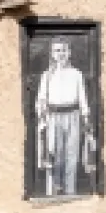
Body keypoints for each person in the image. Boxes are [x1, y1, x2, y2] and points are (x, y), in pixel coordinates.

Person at [35, 38, 95, 197]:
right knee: (55, 153)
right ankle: (55, 189)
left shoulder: (76, 74)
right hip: (53, 116)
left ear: (69, 53)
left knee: (72, 153)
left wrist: (86, 117)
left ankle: (70, 190)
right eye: (57, 51)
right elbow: (41, 98)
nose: (60, 54)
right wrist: (42, 115)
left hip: (73, 116)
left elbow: (82, 97)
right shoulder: (46, 75)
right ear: (52, 54)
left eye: (63, 50)